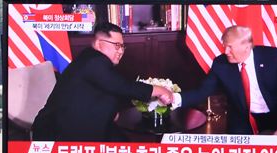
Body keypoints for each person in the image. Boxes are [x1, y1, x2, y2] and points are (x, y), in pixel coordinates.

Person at [32, 22, 173, 142]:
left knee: (125, 147)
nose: (120, 51)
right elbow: (123, 87)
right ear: (99, 44)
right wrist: (161, 90)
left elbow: (103, 90)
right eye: (116, 45)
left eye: (122, 46)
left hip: (82, 122)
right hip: (57, 132)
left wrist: (112, 113)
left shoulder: (92, 57)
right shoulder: (94, 61)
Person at [173, 25, 277, 136]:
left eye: (230, 47)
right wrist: (174, 98)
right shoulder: (220, 64)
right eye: (225, 46)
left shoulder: (273, 57)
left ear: (247, 47)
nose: (226, 52)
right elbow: (202, 92)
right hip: (245, 118)